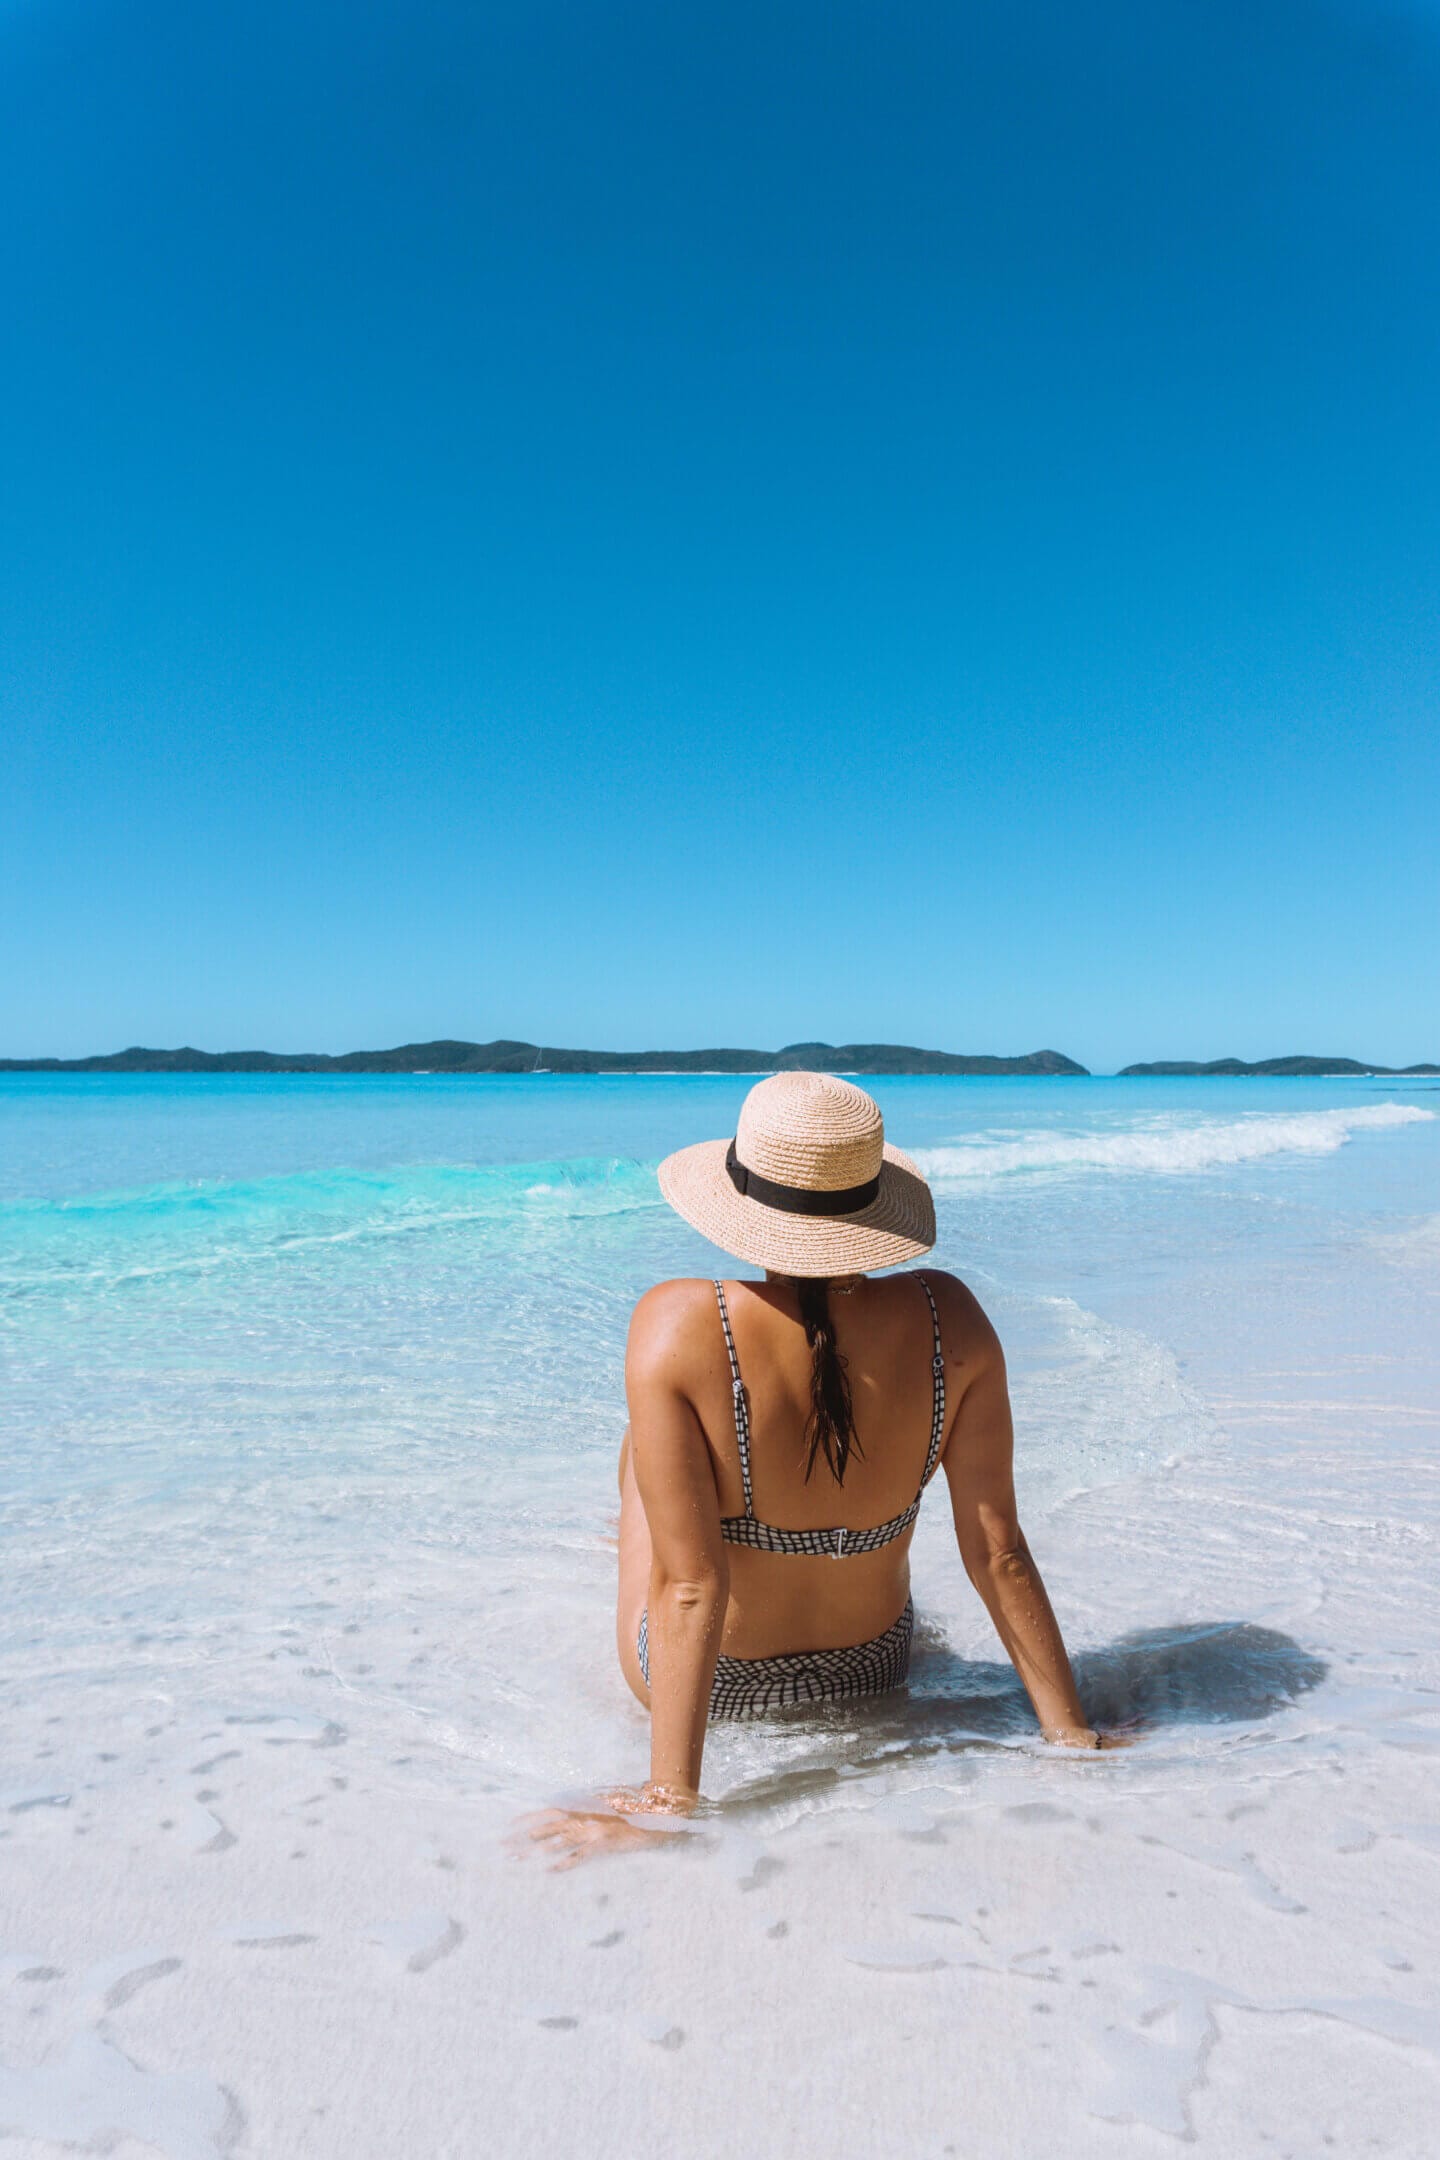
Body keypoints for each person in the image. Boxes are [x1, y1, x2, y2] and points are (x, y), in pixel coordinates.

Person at [525, 1071, 1122, 1868]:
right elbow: (998, 1551)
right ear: (871, 1207)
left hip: (722, 1686)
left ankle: (658, 1517)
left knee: (643, 1459)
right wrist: (1069, 1735)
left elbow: (693, 1588)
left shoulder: (679, 1322)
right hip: (877, 1665)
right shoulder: (953, 1319)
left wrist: (669, 1800)